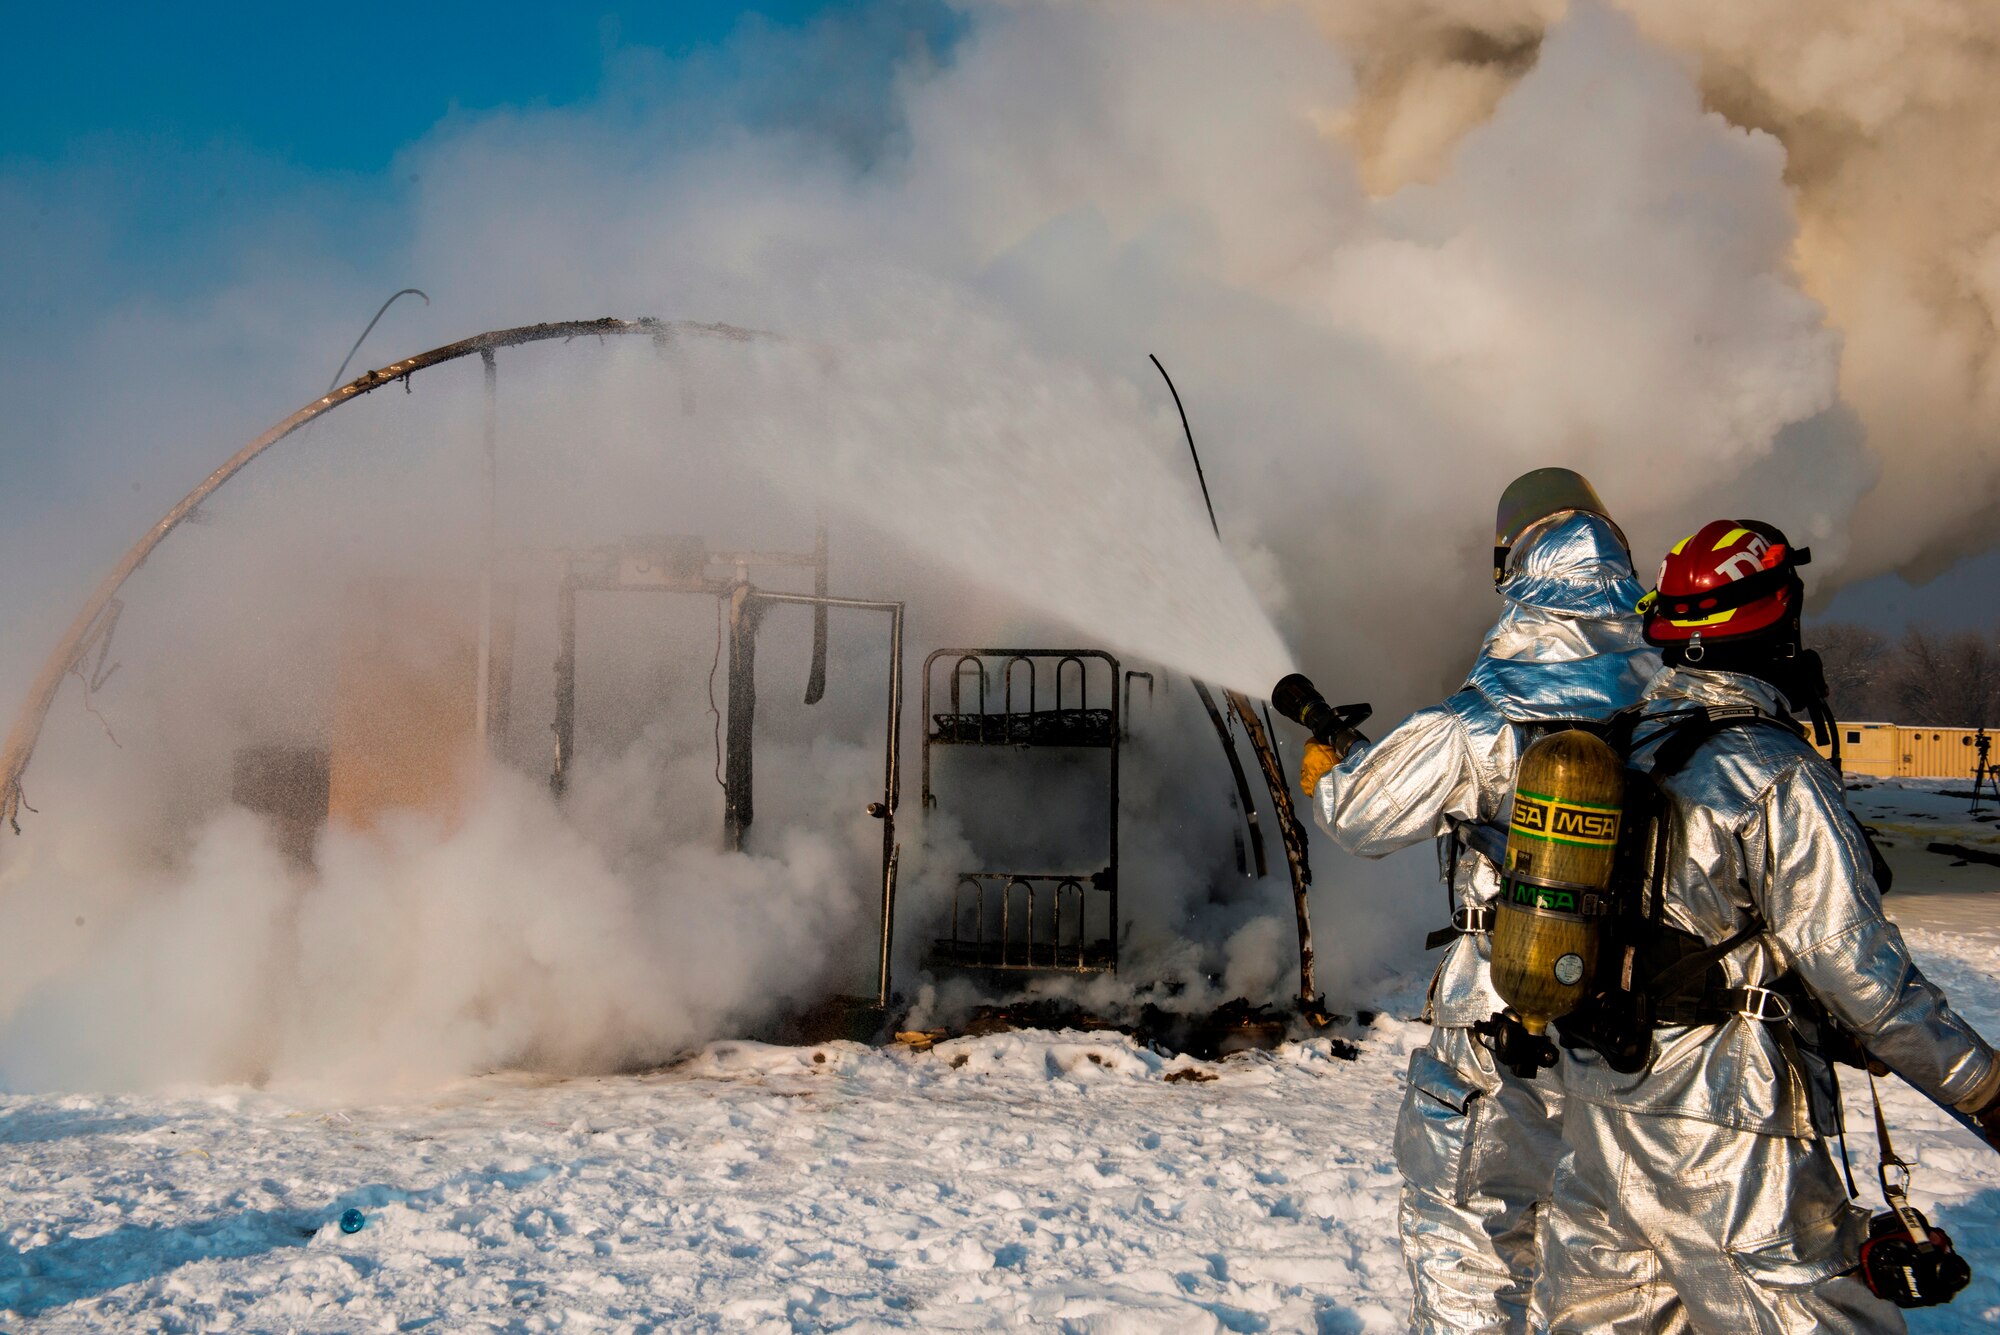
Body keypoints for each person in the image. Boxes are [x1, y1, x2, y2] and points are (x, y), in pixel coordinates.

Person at [1534, 518, 2000, 1333]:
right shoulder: (1772, 770)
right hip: (1730, 1133)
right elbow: (1864, 978)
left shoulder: (1616, 747)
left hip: (1601, 1110)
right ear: (1778, 616)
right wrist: (1985, 1088)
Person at [1299, 468, 1659, 1335]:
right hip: (1636, 1030)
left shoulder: (1485, 711)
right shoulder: (1671, 698)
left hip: (1501, 1025)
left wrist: (1332, 770)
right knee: (1613, 1264)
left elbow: (1362, 813)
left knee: (1467, 1236)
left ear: (1516, 568)